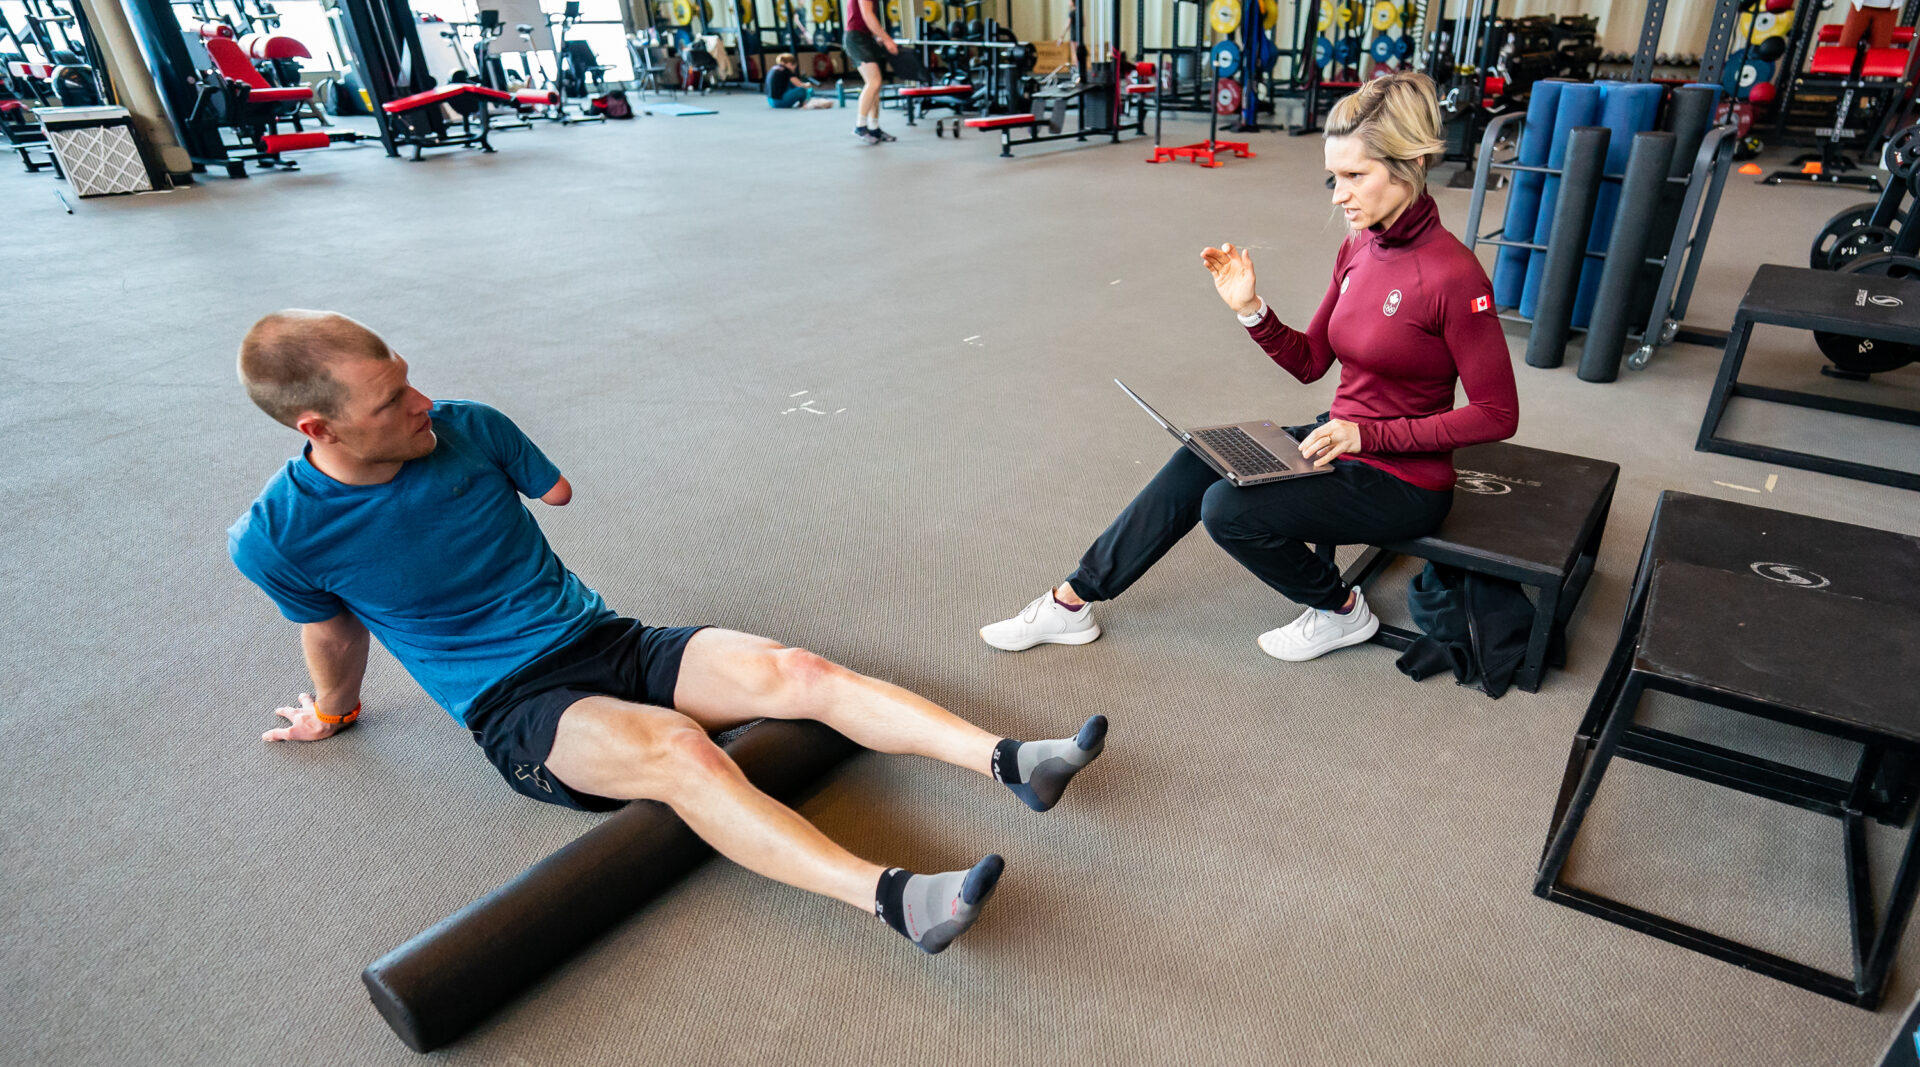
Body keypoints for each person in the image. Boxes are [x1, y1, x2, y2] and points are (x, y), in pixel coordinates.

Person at [228, 310, 1108, 955]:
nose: (422, 401)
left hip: (604, 637)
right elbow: (333, 636)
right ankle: (897, 900)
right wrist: (334, 712)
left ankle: (1013, 761)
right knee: (684, 752)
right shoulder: (278, 534)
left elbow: (554, 490)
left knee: (798, 669)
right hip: (516, 705)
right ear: (318, 428)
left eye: (409, 377)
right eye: (391, 401)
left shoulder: (466, 426)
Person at [981, 71, 1519, 664]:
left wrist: (1368, 436)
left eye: (1355, 176)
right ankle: (1072, 601)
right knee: (1202, 456)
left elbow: (1498, 414)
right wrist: (1251, 310)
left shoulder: (1454, 276)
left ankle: (1341, 611)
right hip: (1336, 443)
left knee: (1227, 510)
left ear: (1410, 164)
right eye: (1333, 177)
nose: (1338, 195)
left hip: (1404, 482)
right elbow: (1312, 362)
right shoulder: (1359, 246)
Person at [841, 0, 897, 143]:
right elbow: (867, 15)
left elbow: (865, 18)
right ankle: (860, 127)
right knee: (874, 82)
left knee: (875, 85)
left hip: (865, 37)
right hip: (856, 38)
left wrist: (877, 35)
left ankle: (874, 128)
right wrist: (887, 39)